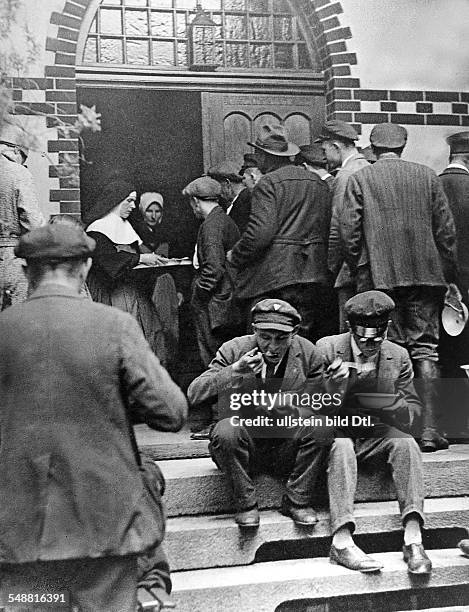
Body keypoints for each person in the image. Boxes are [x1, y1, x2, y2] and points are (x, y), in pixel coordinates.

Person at [0, 224, 187, 611]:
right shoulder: (114, 326)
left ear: (25, 272)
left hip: (19, 530)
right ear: (85, 268)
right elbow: (171, 414)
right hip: (105, 525)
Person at [340, 123, 459, 452]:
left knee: (379, 349)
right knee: (426, 350)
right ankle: (431, 429)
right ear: (403, 147)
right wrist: (446, 276)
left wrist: (358, 268)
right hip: (425, 278)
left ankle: (389, 429)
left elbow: (349, 232)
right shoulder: (427, 176)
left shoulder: (360, 179)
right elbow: (446, 233)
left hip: (379, 278)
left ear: (373, 149)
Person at [187, 299, 332, 529]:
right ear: (254, 330)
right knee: (226, 430)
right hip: (243, 446)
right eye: (265, 337)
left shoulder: (308, 353)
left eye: (281, 339)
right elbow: (194, 393)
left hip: (286, 447)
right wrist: (234, 371)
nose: (272, 347)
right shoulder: (233, 350)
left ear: (293, 333)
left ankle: (297, 500)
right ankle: (245, 503)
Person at [317, 291, 431, 575]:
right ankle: (341, 541)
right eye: (363, 339)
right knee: (340, 444)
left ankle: (413, 539)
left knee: (405, 443)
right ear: (349, 328)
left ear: (388, 329)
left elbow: (413, 410)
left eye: (377, 338)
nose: (370, 345)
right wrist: (332, 389)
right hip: (337, 435)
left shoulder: (399, 355)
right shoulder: (326, 349)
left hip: (374, 435)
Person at [228, 124, 333, 342]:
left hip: (275, 278)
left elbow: (260, 234)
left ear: (265, 156)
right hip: (313, 275)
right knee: (302, 344)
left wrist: (235, 255)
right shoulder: (318, 183)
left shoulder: (268, 183)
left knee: (268, 344)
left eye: (258, 154)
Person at [85, 180, 167, 363]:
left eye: (134, 201)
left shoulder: (126, 227)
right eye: (129, 201)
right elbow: (108, 263)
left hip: (133, 295)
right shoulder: (97, 230)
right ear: (115, 200)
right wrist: (140, 259)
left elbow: (139, 254)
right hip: (112, 296)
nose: (133, 206)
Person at [315, 120, 370, 331]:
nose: (324, 157)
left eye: (325, 150)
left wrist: (332, 267)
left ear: (336, 147)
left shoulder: (345, 176)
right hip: (369, 267)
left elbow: (338, 227)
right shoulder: (367, 167)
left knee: (349, 333)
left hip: (350, 270)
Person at [438, 132, 469, 439]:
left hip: (439, 284)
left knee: (443, 352)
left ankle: (448, 423)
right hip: (466, 285)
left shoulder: (433, 183)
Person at [0, 134, 44, 311]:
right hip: (11, 256)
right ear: (16, 150)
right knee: (17, 321)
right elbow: (32, 222)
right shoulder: (18, 172)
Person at [208, 161, 252, 235]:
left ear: (227, 183)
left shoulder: (245, 205)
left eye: (217, 186)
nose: (217, 192)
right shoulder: (241, 201)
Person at [130, 191, 170, 256]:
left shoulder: (167, 233)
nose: (153, 216)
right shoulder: (133, 233)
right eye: (149, 211)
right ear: (142, 211)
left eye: (157, 211)